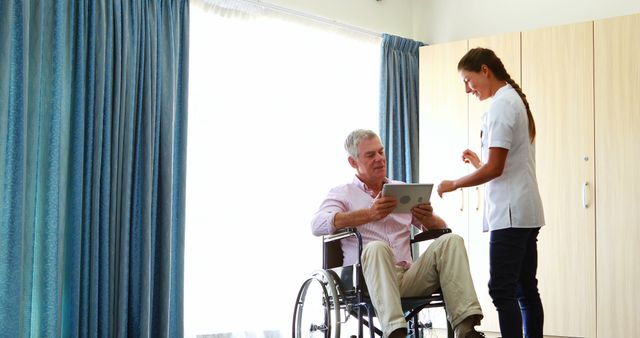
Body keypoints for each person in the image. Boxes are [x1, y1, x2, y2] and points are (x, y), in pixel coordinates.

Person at [311, 129, 484, 338]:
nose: (379, 159)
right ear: (352, 161)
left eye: (381, 152)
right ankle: (395, 333)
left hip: (408, 277)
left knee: (451, 240)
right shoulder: (342, 193)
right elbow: (317, 224)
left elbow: (441, 228)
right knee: (376, 247)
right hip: (368, 280)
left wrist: (428, 217)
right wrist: (369, 214)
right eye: (370, 155)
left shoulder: (401, 189)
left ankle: (466, 330)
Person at [437, 48, 545, 338]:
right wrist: (478, 163)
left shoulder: (501, 106)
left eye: (468, 80)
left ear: (485, 70)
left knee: (502, 289)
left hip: (512, 214)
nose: (467, 89)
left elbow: (496, 170)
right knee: (524, 289)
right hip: (524, 209)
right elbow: (504, 164)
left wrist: (454, 183)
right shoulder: (511, 100)